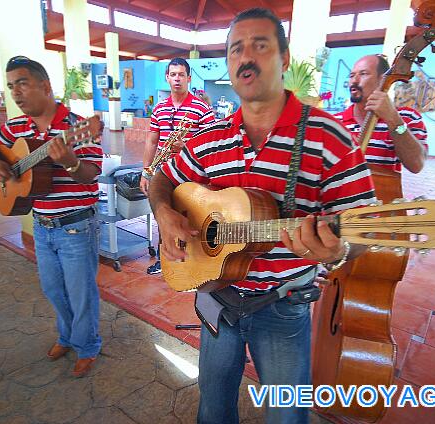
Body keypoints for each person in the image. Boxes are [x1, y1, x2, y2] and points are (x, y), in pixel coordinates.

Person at [148, 8, 376, 423]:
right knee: (213, 408)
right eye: (237, 49)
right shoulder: (210, 138)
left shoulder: (328, 137)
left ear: (284, 58)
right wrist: (163, 211)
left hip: (282, 308)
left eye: (260, 45)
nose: (246, 57)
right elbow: (161, 178)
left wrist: (338, 249)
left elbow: (364, 227)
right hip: (217, 297)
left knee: (287, 417)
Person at [0, 56, 104, 378]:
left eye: (21, 83)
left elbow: (91, 175)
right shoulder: (17, 127)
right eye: (10, 86)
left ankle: (87, 346)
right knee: (53, 290)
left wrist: (71, 162)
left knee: (81, 292)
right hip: (42, 227)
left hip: (76, 226)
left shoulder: (78, 128)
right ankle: (67, 336)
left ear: (45, 86)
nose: (15, 93)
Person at [139, 57, 215, 275]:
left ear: (189, 78)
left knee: (191, 216)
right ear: (167, 78)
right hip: (163, 174)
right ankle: (165, 259)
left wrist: (187, 146)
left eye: (181, 74)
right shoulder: (159, 108)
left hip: (191, 175)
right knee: (163, 214)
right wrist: (146, 171)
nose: (177, 79)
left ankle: (192, 261)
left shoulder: (202, 109)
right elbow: (152, 141)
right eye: (173, 75)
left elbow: (211, 144)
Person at [335, 54, 428, 173]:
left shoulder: (407, 117)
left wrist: (393, 119)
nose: (354, 80)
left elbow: (416, 165)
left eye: (363, 74)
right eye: (352, 75)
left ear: (382, 79)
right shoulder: (336, 121)